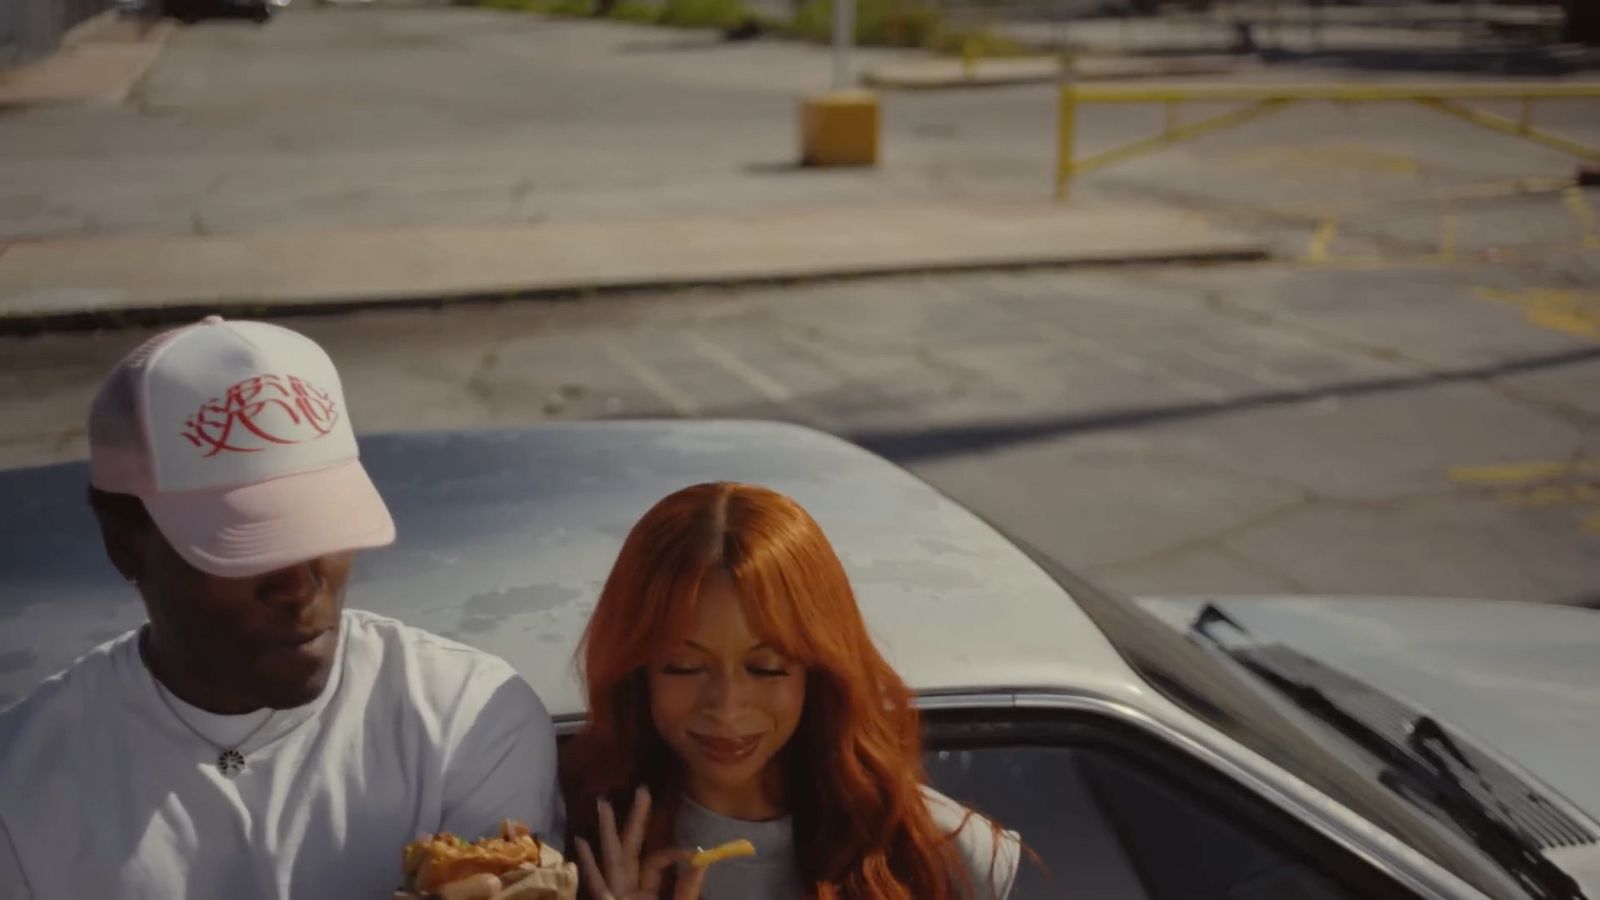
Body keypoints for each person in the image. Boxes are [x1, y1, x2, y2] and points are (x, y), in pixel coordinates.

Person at [0, 316, 563, 899]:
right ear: (124, 546)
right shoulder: (20, 791)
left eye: (321, 527)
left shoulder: (469, 718)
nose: (299, 584)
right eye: (245, 544)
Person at [562, 482, 1021, 900]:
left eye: (766, 668)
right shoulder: (555, 846)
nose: (726, 707)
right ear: (635, 670)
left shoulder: (938, 854)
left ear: (820, 670)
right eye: (684, 668)